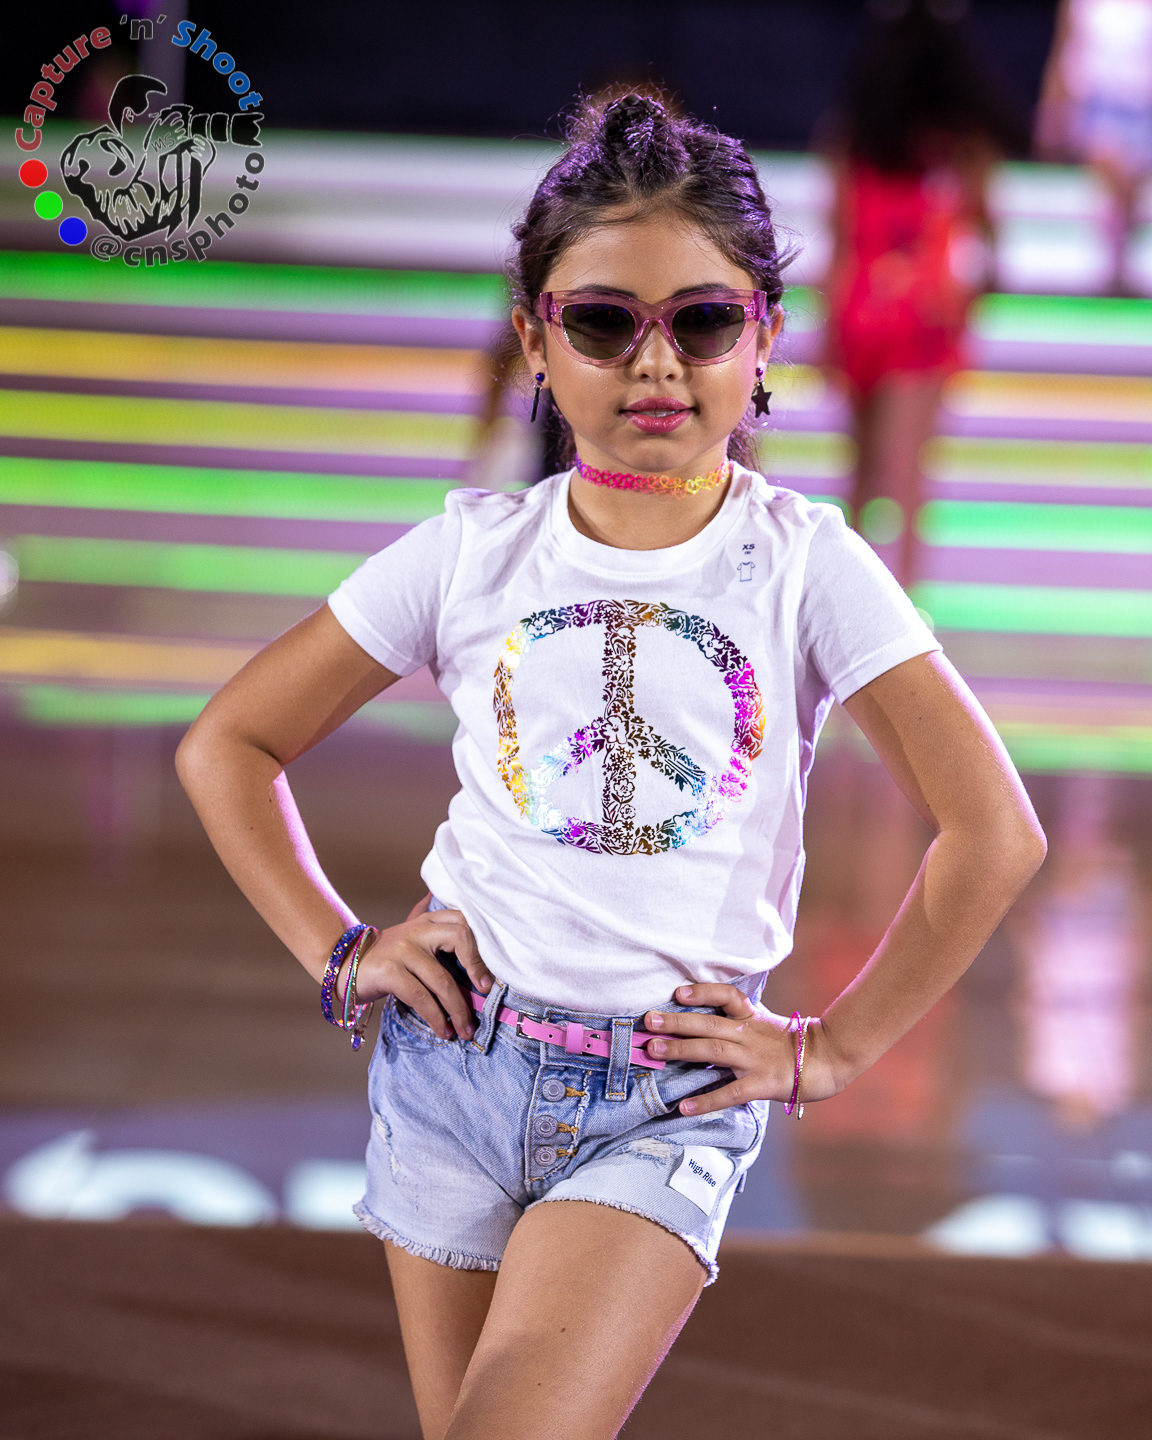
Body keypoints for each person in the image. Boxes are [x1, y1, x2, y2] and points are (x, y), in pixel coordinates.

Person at [176, 91, 1047, 1440]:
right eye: (601, 322)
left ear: (765, 335)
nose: (656, 365)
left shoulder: (805, 565)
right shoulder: (472, 554)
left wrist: (832, 1050)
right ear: (535, 339)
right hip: (451, 1068)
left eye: (701, 322)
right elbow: (227, 744)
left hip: (662, 1100)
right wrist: (340, 953)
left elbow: (994, 832)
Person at [822, 0, 1022, 585]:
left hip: (860, 304)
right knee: (908, 477)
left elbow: (838, 238)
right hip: (924, 311)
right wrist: (970, 304)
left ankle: (846, 609)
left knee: (858, 474)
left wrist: (829, 329)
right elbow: (989, 247)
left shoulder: (853, 137)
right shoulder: (961, 146)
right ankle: (904, 617)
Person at [1035, 0, 1152, 295]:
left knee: (1130, 190)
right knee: (1112, 177)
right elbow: (1064, 47)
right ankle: (1114, 264)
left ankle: (1119, 258)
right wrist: (1052, 111)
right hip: (1097, 103)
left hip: (1142, 105)